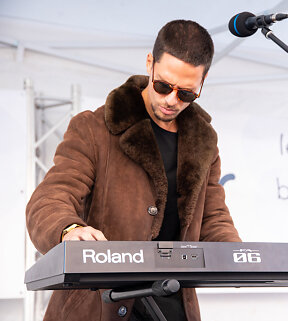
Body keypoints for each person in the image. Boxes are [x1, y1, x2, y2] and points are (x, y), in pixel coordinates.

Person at [26, 20, 241, 321]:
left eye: (187, 94)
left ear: (202, 82)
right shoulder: (93, 128)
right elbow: (51, 198)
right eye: (164, 85)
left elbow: (213, 219)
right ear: (150, 63)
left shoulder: (204, 144)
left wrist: (241, 257)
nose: (171, 100)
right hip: (99, 305)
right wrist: (70, 230)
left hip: (172, 305)